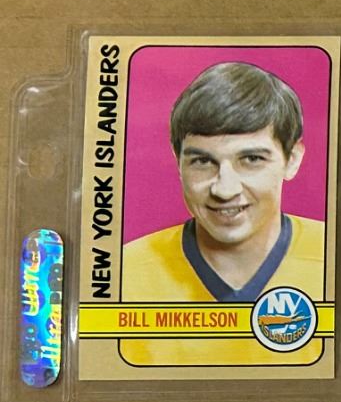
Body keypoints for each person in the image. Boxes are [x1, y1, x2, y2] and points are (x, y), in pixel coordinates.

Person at [121, 61, 324, 367]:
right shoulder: (123, 274)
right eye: (203, 162)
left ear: (292, 159)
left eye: (251, 159)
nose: (225, 189)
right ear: (178, 162)